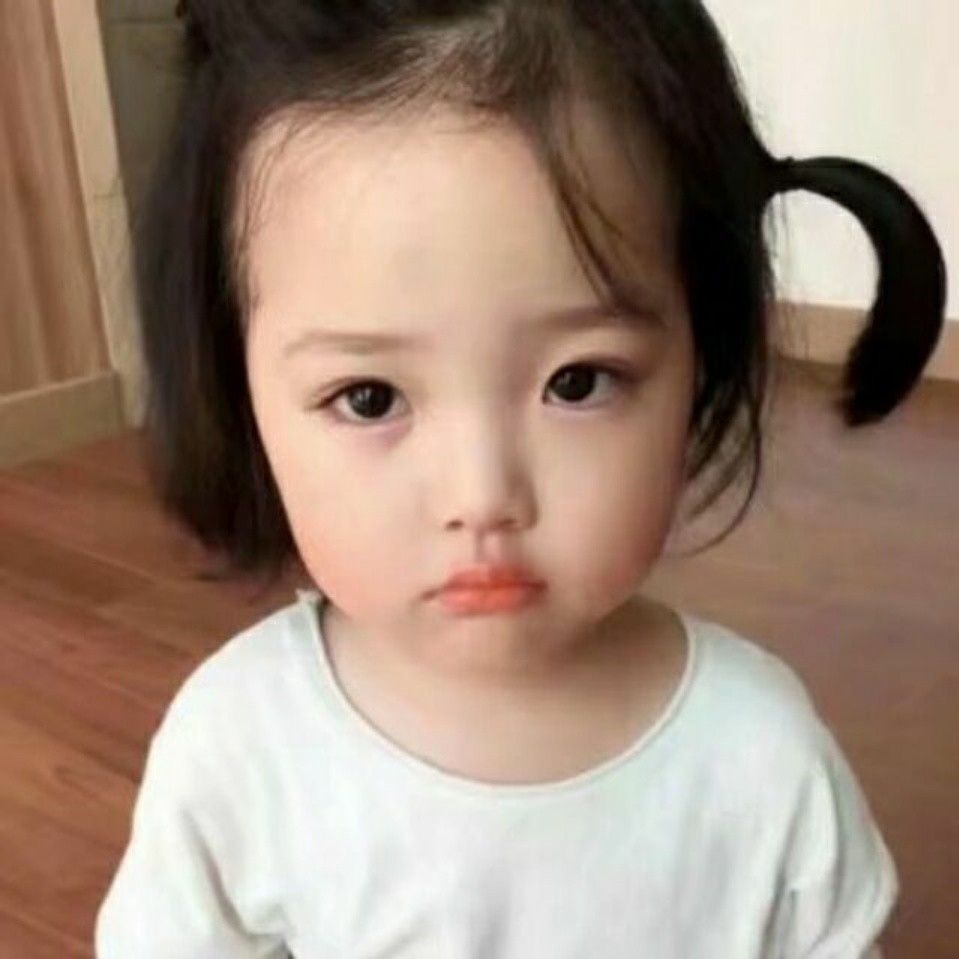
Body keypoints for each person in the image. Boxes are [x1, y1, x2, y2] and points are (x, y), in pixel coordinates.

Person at [95, 1, 947, 956]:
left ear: (699, 358)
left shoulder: (760, 759)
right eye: (370, 397)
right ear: (235, 383)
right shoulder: (240, 749)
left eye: (576, 382)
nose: (481, 495)